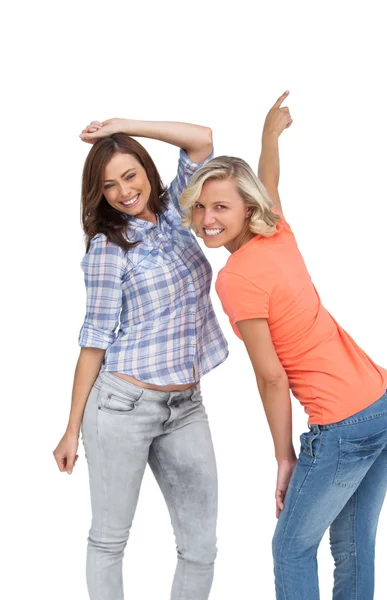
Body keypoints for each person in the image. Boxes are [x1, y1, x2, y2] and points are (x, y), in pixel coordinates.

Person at [179, 92, 387, 599]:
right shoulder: (275, 229)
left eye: (221, 207)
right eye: (201, 207)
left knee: (291, 549)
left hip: (343, 423)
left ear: (246, 208)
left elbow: (271, 376)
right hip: (385, 403)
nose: (208, 219)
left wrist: (284, 456)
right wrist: (269, 134)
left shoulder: (236, 279)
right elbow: (269, 179)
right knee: (353, 547)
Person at [53, 117, 228, 600]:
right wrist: (72, 428)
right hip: (120, 407)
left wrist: (122, 123)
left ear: (147, 172)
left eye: (130, 176)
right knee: (110, 540)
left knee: (201, 547)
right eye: (108, 184)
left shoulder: (175, 211)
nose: (122, 191)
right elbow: (94, 340)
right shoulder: (108, 247)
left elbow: (202, 139)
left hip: (186, 405)